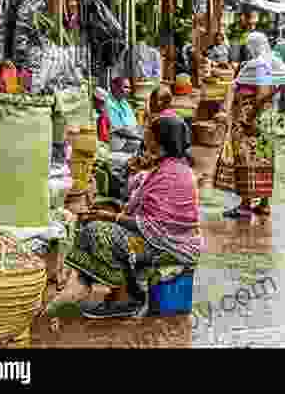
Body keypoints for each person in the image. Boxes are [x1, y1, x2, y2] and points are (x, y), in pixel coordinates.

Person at [63, 114, 201, 318]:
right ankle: (129, 289)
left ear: (160, 139)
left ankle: (124, 298)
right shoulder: (171, 167)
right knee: (101, 223)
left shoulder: (171, 173)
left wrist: (110, 217)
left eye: (150, 132)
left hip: (169, 246)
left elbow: (151, 226)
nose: (146, 135)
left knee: (97, 232)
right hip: (166, 240)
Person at [214, 31, 285, 218]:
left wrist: (248, 118)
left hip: (251, 119)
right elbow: (275, 89)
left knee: (246, 160)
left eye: (249, 45)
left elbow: (263, 93)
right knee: (264, 160)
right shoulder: (272, 63)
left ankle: (245, 205)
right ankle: (264, 204)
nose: (247, 49)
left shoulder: (259, 65)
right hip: (266, 119)